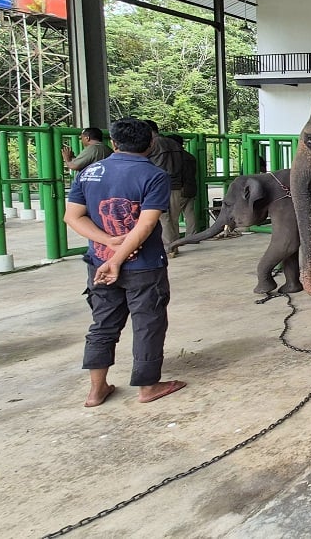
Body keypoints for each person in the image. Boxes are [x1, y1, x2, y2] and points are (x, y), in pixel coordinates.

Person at [63, 117, 186, 406]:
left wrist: (107, 244)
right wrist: (118, 257)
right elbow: (144, 227)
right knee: (148, 323)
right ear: (151, 143)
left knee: (102, 322)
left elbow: (72, 216)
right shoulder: (154, 176)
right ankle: (147, 387)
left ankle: (96, 389)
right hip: (144, 265)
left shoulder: (89, 172)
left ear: (114, 143)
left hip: (99, 261)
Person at [145, 120, 184, 256]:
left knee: (164, 218)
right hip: (177, 185)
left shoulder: (151, 144)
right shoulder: (174, 143)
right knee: (174, 218)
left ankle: (169, 248)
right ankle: (175, 245)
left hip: (159, 185)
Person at [166, 134, 198, 239]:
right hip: (191, 188)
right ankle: (192, 236)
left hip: (179, 188)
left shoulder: (175, 158)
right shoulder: (190, 156)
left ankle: (175, 238)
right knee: (189, 214)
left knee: (173, 217)